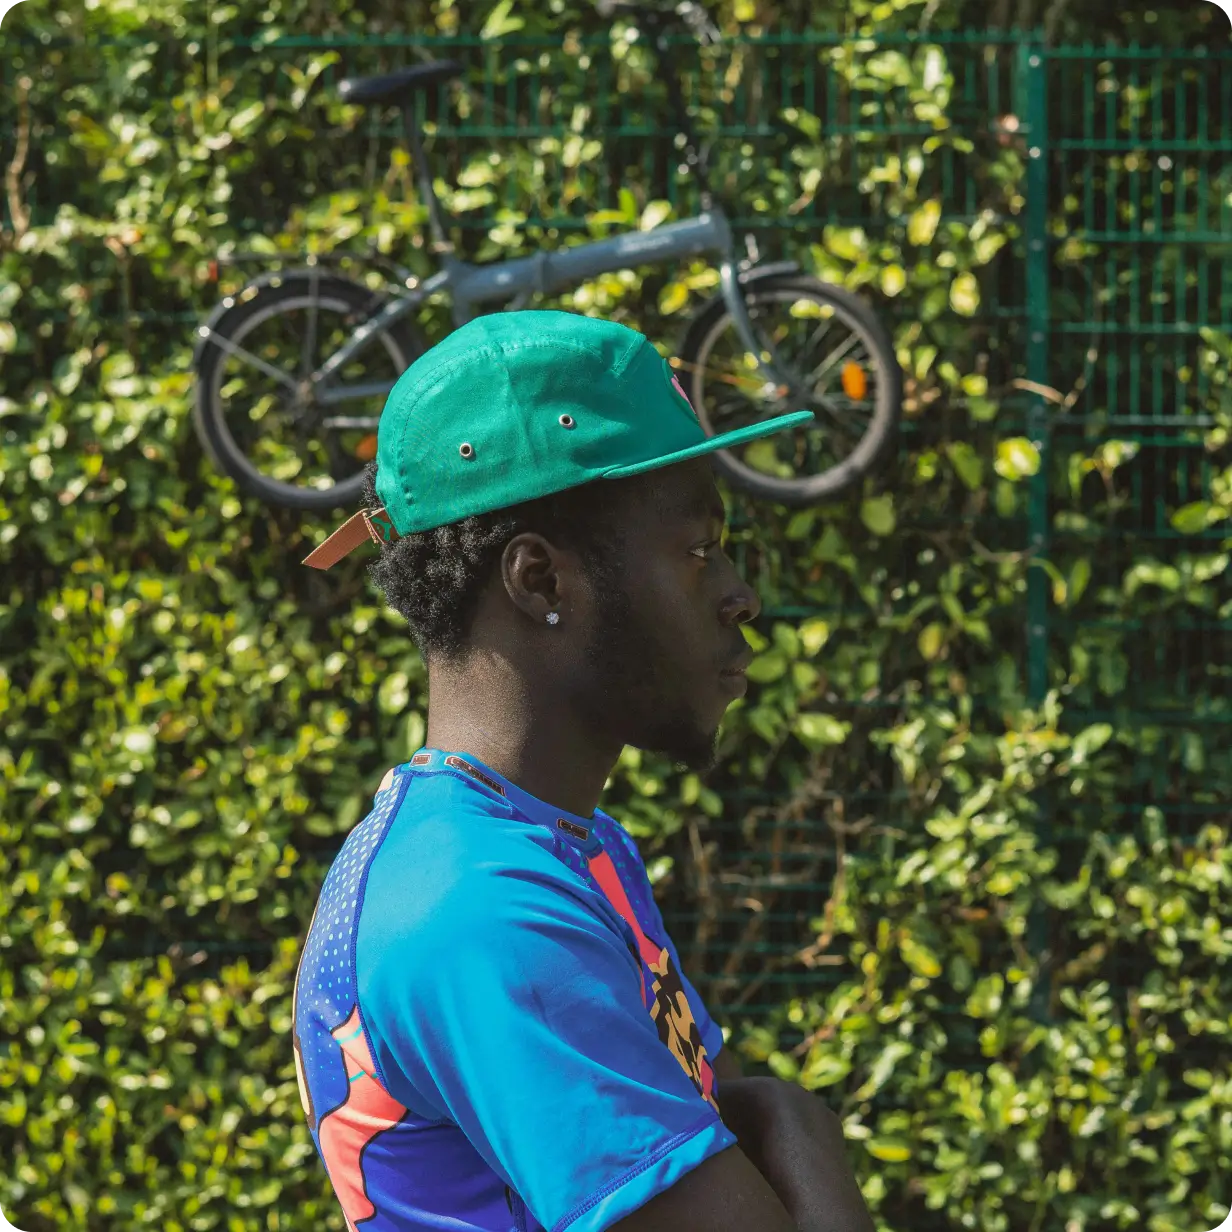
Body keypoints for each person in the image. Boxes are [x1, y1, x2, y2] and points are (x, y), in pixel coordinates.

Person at [292, 310, 875, 1232]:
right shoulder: (485, 911)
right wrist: (795, 1121)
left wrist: (774, 1120)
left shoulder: (566, 845)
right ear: (540, 581)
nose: (741, 595)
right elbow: (747, 1142)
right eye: (698, 551)